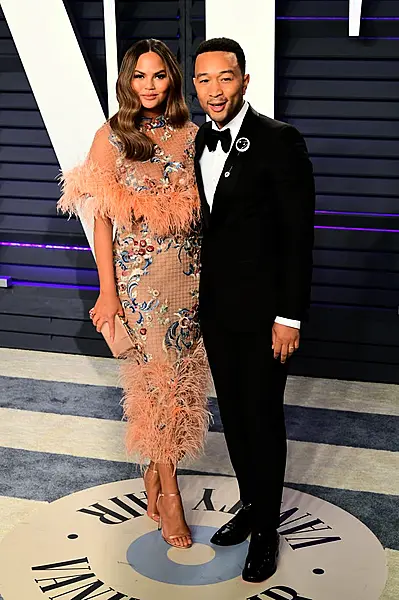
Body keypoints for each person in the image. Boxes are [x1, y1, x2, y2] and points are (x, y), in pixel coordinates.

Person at [58, 39, 210, 549]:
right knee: (156, 388)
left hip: (190, 280)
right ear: (127, 80)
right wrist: (108, 292)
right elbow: (100, 220)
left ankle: (154, 468)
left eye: (159, 75)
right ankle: (170, 493)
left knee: (180, 386)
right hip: (139, 281)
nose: (149, 85)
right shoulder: (113, 137)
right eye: (140, 76)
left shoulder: (193, 135)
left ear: (172, 80)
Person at [193, 38, 315, 582]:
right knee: (236, 419)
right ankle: (250, 504)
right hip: (217, 312)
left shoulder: (278, 141)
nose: (214, 90)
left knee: (263, 420)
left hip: (267, 317)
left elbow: (297, 237)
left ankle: (267, 530)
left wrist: (289, 316)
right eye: (203, 80)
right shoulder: (198, 140)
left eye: (225, 78)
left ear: (244, 80)